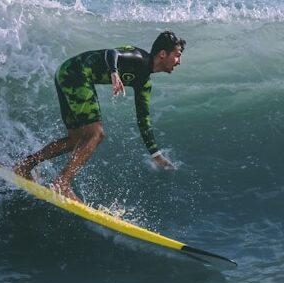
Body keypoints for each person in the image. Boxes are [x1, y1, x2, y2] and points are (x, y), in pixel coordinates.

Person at [13, 30, 186, 202]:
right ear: (163, 54)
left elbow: (143, 118)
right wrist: (114, 72)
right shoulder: (139, 57)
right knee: (96, 134)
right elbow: (113, 53)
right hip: (76, 72)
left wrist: (155, 154)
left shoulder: (144, 81)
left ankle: (24, 166)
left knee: (76, 140)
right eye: (177, 55)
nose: (179, 61)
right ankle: (62, 182)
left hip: (67, 73)